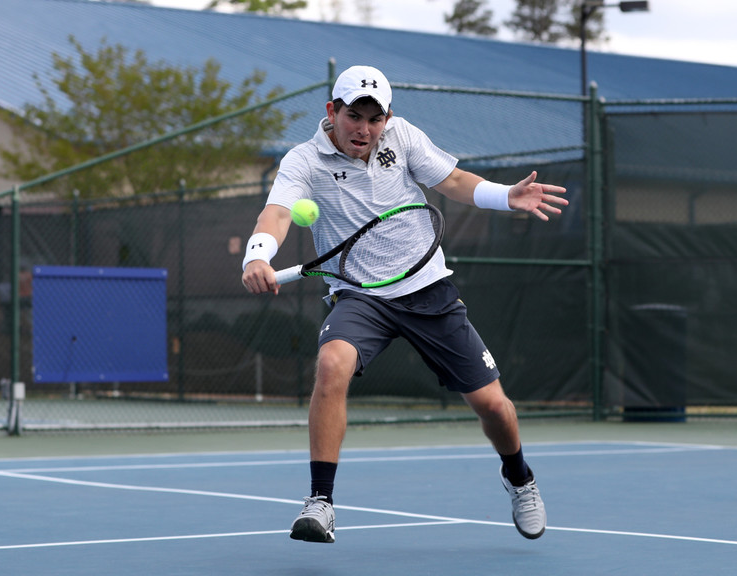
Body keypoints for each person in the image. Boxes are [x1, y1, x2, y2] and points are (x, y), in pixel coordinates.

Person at [241, 65, 569, 544]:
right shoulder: (303, 160)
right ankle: (321, 502)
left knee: (494, 407)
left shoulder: (403, 137)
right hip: (358, 294)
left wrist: (506, 196)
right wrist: (257, 254)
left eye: (375, 119)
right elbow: (278, 212)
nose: (365, 129)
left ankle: (520, 478)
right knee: (332, 363)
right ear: (332, 112)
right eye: (355, 116)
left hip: (426, 287)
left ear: (387, 118)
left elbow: (453, 180)